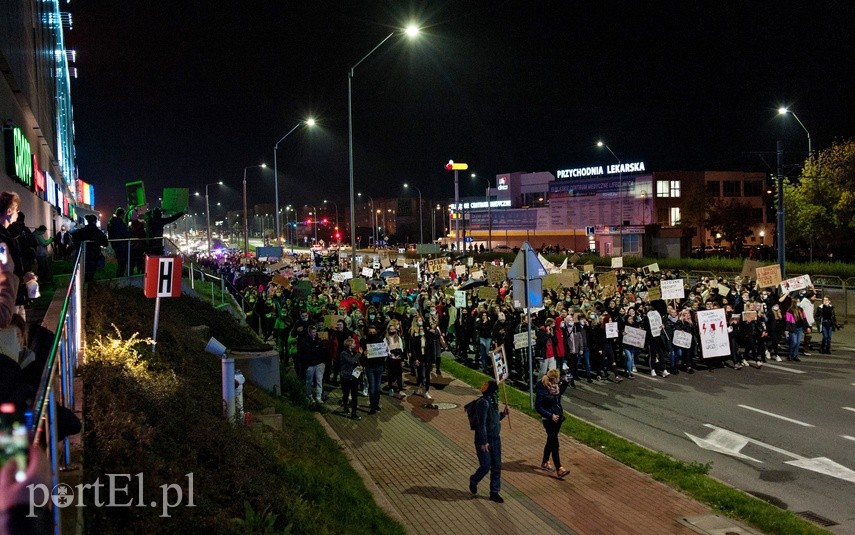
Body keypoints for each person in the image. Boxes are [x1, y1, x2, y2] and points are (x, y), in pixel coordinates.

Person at [468, 380, 509, 503]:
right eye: (496, 391)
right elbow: (482, 425)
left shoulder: (493, 403)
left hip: (496, 438)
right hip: (484, 440)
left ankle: (494, 492)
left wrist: (503, 414)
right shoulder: (484, 403)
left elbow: (493, 419)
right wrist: (484, 442)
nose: (497, 394)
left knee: (497, 466)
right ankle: (474, 480)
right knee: (486, 466)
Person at [535, 369, 571, 478]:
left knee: (550, 441)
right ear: (554, 378)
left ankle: (545, 462)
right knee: (555, 444)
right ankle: (559, 468)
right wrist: (550, 415)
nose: (559, 379)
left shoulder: (556, 388)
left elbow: (559, 394)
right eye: (558, 377)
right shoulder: (543, 389)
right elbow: (538, 407)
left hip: (558, 418)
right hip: (549, 420)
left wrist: (566, 382)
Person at [73, 215, 109, 282]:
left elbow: (75, 242)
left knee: (83, 277)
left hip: (83, 257)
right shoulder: (98, 232)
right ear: (95, 222)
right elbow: (105, 244)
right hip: (94, 257)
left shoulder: (82, 231)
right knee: (91, 276)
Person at [338, 337, 362, 420]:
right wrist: (358, 354)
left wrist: (360, 366)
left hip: (354, 377)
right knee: (346, 394)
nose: (355, 345)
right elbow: (351, 361)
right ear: (349, 345)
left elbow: (356, 362)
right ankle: (345, 406)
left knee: (355, 395)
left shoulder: (354, 352)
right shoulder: (344, 353)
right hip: (346, 377)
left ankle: (354, 413)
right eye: (353, 343)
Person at [107, 208, 130, 277]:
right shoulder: (120, 224)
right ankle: (120, 278)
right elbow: (125, 234)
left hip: (115, 245)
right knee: (122, 264)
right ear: (122, 215)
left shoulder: (111, 223)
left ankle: (119, 278)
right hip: (122, 246)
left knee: (120, 263)